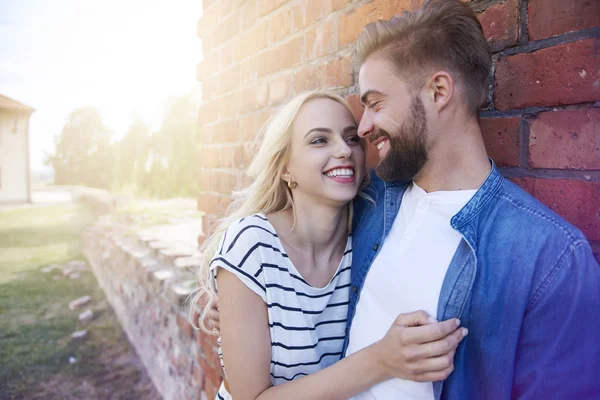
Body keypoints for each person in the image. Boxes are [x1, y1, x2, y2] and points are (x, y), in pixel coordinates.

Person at [344, 0, 600, 399]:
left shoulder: (551, 259)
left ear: (439, 91)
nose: (363, 126)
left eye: (375, 103)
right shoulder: (372, 201)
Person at [191, 90, 467, 400]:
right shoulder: (252, 243)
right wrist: (381, 361)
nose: (344, 151)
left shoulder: (367, 239)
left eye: (351, 139)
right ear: (285, 168)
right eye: (319, 140)